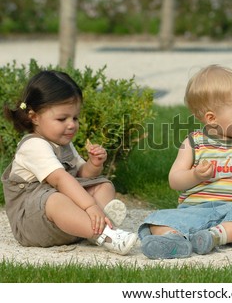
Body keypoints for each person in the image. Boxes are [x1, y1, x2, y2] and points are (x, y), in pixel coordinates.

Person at [138, 64, 232, 259]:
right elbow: (175, 180)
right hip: (194, 210)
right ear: (212, 118)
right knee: (156, 220)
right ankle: (174, 239)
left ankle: (214, 236)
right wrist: (194, 175)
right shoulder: (193, 143)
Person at [2, 70, 138, 255]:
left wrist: (94, 164)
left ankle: (93, 227)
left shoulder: (63, 144)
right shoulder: (33, 146)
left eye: (75, 118)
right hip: (33, 225)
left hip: (63, 223)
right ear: (34, 117)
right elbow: (60, 179)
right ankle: (106, 233)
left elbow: (82, 175)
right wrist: (91, 206)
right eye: (62, 119)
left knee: (103, 186)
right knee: (55, 199)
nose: (72, 124)